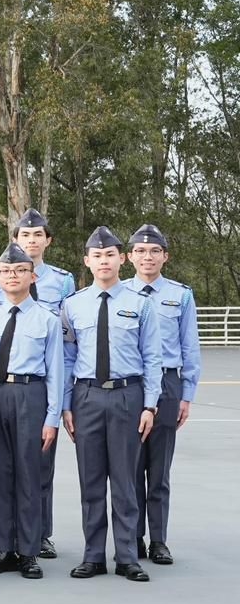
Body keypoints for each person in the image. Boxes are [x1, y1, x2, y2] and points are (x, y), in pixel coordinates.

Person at [60, 226, 161, 583]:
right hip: (86, 396)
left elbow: (152, 358)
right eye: (97, 256)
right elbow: (67, 359)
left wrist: (150, 406)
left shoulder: (141, 304)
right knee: (90, 481)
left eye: (110, 255)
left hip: (126, 396)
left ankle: (128, 556)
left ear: (122, 259)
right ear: (87, 261)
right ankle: (93, 556)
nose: (104, 261)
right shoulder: (72, 305)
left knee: (124, 481)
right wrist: (66, 406)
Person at [0, 244, 65, 577]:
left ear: (32, 276)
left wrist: (52, 418)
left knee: (29, 474)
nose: (12, 276)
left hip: (31, 394)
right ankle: (1, 547)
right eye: (6, 272)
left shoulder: (48, 320)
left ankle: (28, 550)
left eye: (20, 271)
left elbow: (56, 372)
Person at [127, 223, 201, 565]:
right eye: (141, 251)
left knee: (158, 470)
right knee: (130, 467)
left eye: (155, 251)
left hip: (168, 386)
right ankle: (132, 538)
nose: (148, 256)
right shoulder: (119, 294)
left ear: (165, 257)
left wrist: (186, 395)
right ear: (129, 257)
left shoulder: (180, 295)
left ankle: (158, 540)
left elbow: (190, 347)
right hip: (132, 385)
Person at [0, 208, 76, 314]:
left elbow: (68, 320)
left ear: (48, 240)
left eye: (38, 235)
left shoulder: (63, 281)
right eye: (25, 235)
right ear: (15, 240)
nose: (31, 240)